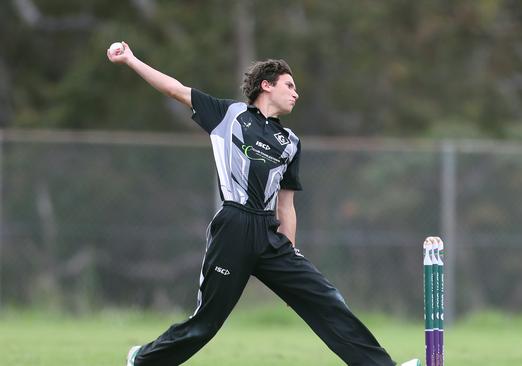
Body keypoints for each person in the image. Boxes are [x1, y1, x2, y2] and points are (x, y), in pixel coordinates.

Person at [107, 41, 418, 366]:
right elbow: (174, 89)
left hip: (270, 237)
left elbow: (286, 206)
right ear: (266, 85)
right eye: (289, 85)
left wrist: (292, 261)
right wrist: (131, 60)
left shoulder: (291, 143)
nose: (296, 93)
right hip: (234, 228)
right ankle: (143, 359)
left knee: (327, 300)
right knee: (206, 324)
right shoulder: (228, 114)